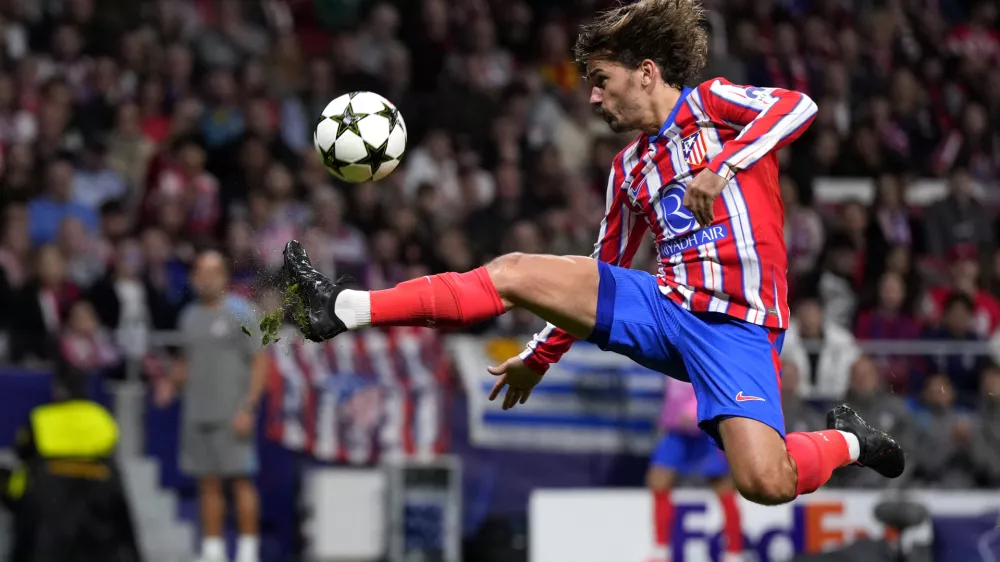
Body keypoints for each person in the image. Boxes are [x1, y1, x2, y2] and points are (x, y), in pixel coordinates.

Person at [283, 0, 904, 506]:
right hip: (664, 306)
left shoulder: (713, 107)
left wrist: (720, 166)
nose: (593, 99)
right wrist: (539, 356)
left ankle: (849, 439)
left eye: (602, 82)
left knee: (765, 483)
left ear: (647, 72)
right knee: (516, 271)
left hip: (735, 329)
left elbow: (798, 106)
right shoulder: (629, 169)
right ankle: (344, 307)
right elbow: (600, 273)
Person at [154, 250, 267, 562]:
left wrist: (248, 406)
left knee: (241, 481)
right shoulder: (188, 316)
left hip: (232, 413)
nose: (207, 278)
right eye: (201, 272)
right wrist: (169, 384)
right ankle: (213, 550)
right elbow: (186, 363)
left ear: (224, 277)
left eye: (213, 271)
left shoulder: (242, 312)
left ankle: (247, 551)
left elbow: (260, 362)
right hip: (196, 413)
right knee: (208, 483)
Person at [0, 364, 141, 562]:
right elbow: (110, 450)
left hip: (48, 494)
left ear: (58, 389)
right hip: (99, 491)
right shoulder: (101, 417)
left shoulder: (41, 417)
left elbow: (22, 451)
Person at [648, 378, 742, 562]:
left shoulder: (704, 350)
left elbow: (712, 382)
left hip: (704, 428)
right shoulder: (671, 351)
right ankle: (660, 552)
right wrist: (667, 417)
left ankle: (734, 553)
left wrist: (693, 410)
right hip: (676, 431)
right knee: (658, 480)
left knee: (723, 486)